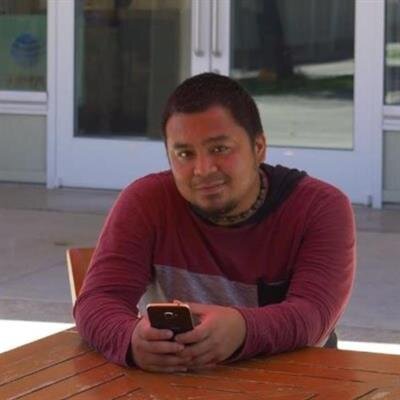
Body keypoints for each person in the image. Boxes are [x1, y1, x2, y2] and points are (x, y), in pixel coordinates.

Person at [74, 72, 356, 373]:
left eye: (219, 149)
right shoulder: (146, 202)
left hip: (298, 381)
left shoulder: (320, 208)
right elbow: (97, 301)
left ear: (259, 147)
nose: (203, 169)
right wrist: (130, 340)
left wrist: (242, 330)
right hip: (178, 384)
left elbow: (314, 316)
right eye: (185, 154)